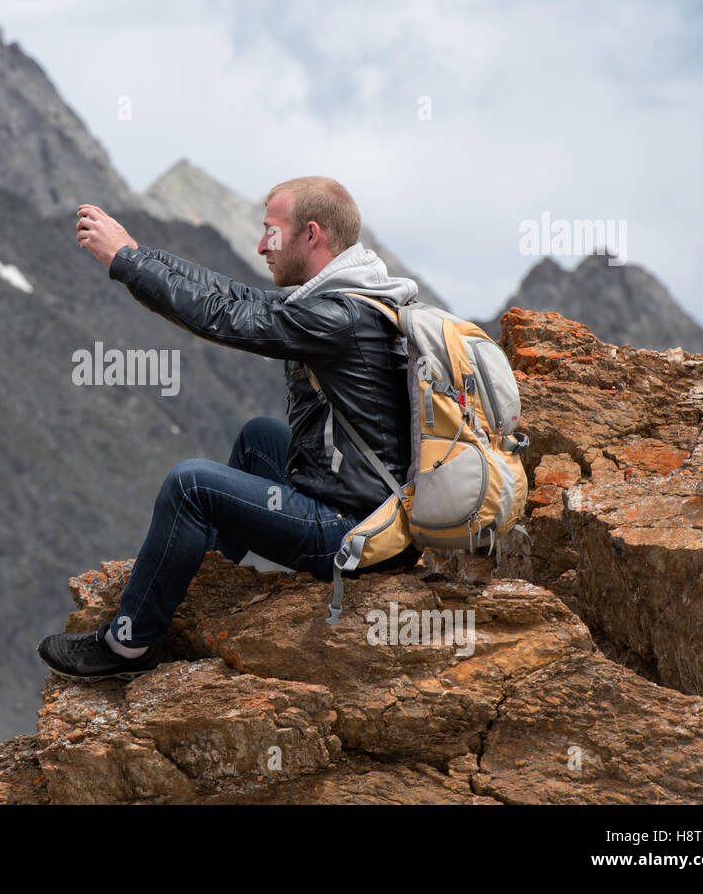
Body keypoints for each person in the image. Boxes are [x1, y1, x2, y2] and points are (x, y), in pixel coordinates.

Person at [38, 176, 420, 681]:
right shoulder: (352, 296)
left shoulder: (338, 317)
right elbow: (238, 295)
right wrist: (137, 253)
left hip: (354, 533)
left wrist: (125, 265)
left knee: (190, 483)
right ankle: (196, 585)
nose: (261, 245)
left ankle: (128, 645)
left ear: (311, 234)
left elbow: (224, 317)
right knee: (260, 438)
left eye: (270, 232)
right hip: (370, 502)